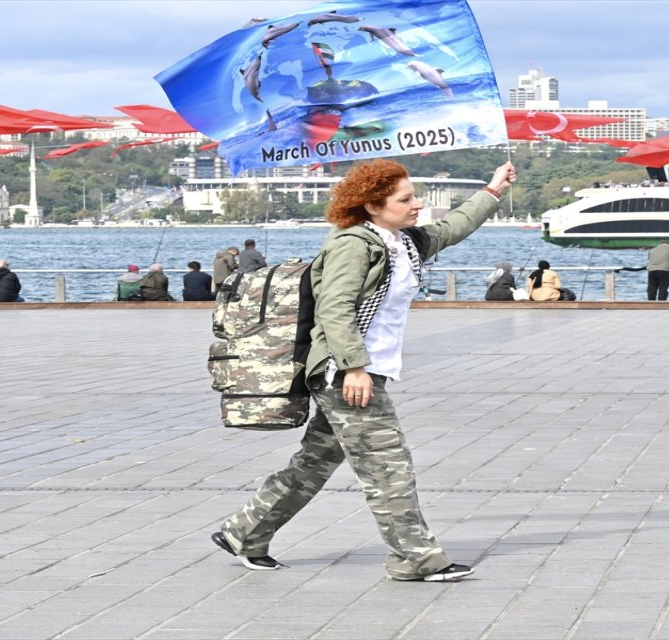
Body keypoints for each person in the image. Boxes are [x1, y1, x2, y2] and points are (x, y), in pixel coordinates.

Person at [213, 158, 516, 582]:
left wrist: (493, 188)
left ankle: (244, 532)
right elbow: (334, 307)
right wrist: (354, 367)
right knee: (388, 464)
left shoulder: (402, 241)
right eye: (405, 198)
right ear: (373, 206)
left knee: (315, 462)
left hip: (360, 370)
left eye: (415, 196)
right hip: (346, 373)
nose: (418, 204)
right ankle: (415, 558)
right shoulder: (354, 244)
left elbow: (453, 227)